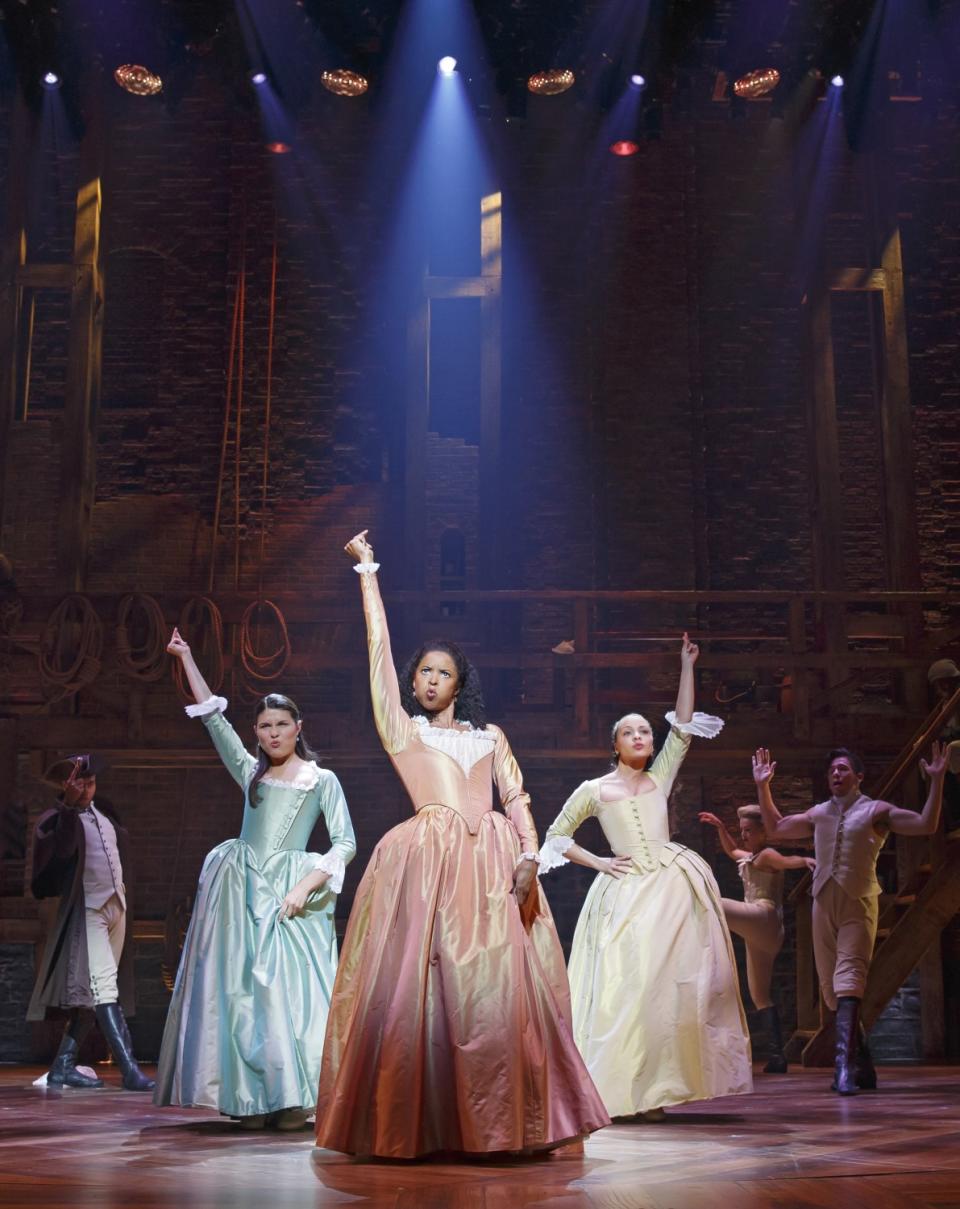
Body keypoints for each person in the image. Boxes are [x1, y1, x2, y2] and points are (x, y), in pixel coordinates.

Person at [314, 532, 608, 1159]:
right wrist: (368, 572)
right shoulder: (404, 732)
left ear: (459, 684)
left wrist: (529, 856)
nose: (431, 680)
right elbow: (377, 653)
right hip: (431, 864)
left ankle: (507, 1121)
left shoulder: (490, 734)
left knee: (495, 998)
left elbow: (518, 797)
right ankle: (425, 1120)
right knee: (424, 994)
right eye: (424, 670)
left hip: (496, 864)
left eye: (443, 673)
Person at [538, 637, 752, 1121]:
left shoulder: (660, 776)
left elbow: (682, 728)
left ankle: (656, 1088)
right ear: (614, 744)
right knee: (625, 987)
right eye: (629, 732)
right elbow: (556, 835)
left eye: (644, 732)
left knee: (670, 988)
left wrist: (686, 666)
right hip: (625, 889)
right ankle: (619, 1088)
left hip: (670, 888)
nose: (639, 737)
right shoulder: (595, 789)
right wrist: (600, 862)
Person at [156, 629, 356, 1129]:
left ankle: (291, 1098)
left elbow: (345, 842)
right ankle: (247, 1096)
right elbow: (213, 720)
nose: (272, 733)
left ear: (297, 727)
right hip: (243, 889)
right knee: (241, 995)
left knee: (287, 996)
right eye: (264, 726)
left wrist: (304, 885)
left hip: (292, 892)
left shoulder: (320, 779)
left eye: (281, 725)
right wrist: (185, 656)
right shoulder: (251, 773)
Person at [752, 742, 948, 1095]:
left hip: (858, 901)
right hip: (823, 902)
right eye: (832, 771)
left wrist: (935, 781)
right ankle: (865, 1064)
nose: (836, 775)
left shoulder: (876, 810)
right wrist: (763, 786)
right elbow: (778, 827)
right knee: (830, 990)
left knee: (850, 978)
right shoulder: (820, 813)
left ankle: (843, 1069)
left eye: (843, 769)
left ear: (858, 776)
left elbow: (925, 824)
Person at [27, 755, 154, 1091]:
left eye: (90, 782)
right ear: (66, 786)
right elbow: (62, 854)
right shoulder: (56, 820)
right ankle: (129, 1069)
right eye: (78, 783)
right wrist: (68, 809)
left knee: (93, 993)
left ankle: (63, 1066)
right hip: (89, 909)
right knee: (103, 988)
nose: (86, 788)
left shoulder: (105, 816)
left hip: (116, 906)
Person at [698, 804, 815, 1073]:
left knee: (711, 903)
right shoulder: (751, 857)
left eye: (749, 831)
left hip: (764, 917)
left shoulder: (768, 855)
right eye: (742, 831)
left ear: (764, 832)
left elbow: (787, 861)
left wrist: (805, 861)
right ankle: (777, 1057)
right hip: (760, 932)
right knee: (760, 995)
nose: (745, 836)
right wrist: (720, 828)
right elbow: (731, 851)